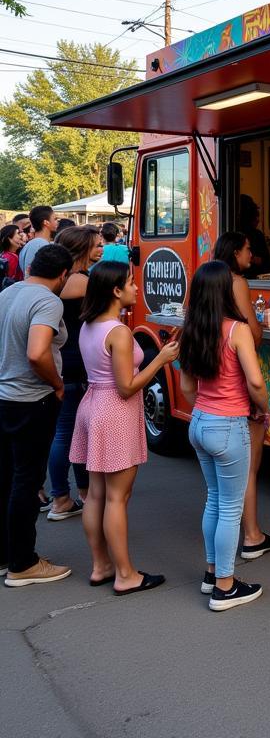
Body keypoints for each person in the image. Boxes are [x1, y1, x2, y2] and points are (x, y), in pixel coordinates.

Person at [70, 262, 176, 593]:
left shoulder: (89, 325)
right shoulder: (118, 332)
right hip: (113, 413)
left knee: (96, 494)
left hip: (91, 407)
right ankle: (125, 574)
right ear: (116, 291)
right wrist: (160, 359)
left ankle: (101, 565)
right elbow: (126, 387)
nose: (136, 288)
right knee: (117, 497)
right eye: (131, 283)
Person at [178, 261, 270, 611]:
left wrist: (205, 407)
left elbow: (187, 386)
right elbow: (256, 381)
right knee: (230, 508)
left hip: (199, 422)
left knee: (214, 500)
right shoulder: (237, 330)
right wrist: (260, 408)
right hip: (229, 426)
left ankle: (211, 571)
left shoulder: (191, 329)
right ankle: (225, 587)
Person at [0, 243, 72, 586]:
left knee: (7, 477)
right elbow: (37, 352)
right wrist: (57, 383)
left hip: (4, 397)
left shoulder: (9, 292)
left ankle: (7, 555)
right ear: (63, 275)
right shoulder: (48, 301)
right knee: (27, 482)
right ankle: (23, 563)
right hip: (31, 400)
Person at [211, 231, 270, 562]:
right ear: (236, 251)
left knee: (220, 484)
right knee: (249, 465)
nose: (251, 255)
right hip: (241, 377)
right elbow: (251, 332)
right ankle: (252, 535)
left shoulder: (206, 277)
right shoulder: (236, 281)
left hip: (212, 395)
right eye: (248, 250)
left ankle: (231, 548)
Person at [45, 226, 103, 522]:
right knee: (68, 431)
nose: (102, 247)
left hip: (64, 358)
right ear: (82, 249)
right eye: (96, 244)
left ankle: (72, 494)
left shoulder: (63, 280)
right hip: (74, 361)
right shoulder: (80, 281)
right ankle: (62, 498)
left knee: (67, 430)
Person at [238, 195, 270, 278]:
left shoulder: (258, 235)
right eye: (255, 216)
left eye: (258, 216)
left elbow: (266, 262)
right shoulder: (256, 235)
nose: (258, 220)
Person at [19, 206, 59, 276]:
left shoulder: (33, 243)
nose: (57, 222)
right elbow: (30, 275)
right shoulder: (39, 244)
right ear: (46, 222)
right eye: (55, 219)